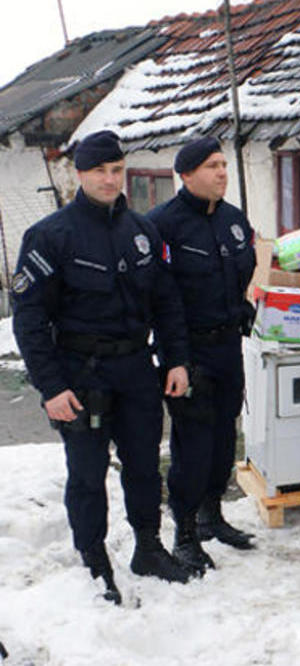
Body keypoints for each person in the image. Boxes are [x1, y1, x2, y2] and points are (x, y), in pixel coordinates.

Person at [11, 130, 193, 603]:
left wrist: (176, 360)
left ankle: (148, 547)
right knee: (88, 474)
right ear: (80, 173)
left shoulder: (142, 231)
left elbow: (168, 302)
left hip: (135, 369)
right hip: (80, 374)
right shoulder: (51, 236)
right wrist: (50, 388)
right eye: (99, 171)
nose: (110, 180)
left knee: (143, 466)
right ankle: (94, 560)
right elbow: (30, 322)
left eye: (116, 170)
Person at [147, 136, 258, 574]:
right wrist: (175, 356)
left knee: (223, 438)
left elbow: (243, 271)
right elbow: (159, 298)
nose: (222, 173)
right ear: (187, 174)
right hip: (188, 351)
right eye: (212, 166)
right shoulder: (162, 225)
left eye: (224, 165)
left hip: (228, 345)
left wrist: (243, 307)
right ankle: (185, 533)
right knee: (192, 445)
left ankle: (213, 516)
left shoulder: (233, 220)